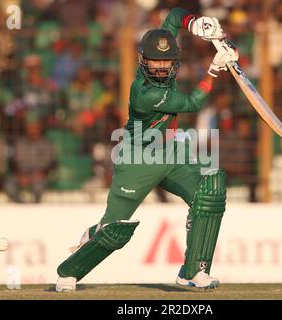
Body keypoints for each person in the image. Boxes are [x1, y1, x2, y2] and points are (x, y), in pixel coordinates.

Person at [55, 7, 238, 291]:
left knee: (208, 196)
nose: (162, 67)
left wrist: (197, 24)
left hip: (170, 153)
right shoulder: (146, 92)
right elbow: (192, 104)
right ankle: (69, 272)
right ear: (143, 61)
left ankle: (193, 272)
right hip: (137, 158)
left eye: (166, 61)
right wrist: (214, 69)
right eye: (155, 62)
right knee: (114, 232)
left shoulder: (162, 62)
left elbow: (174, 17)